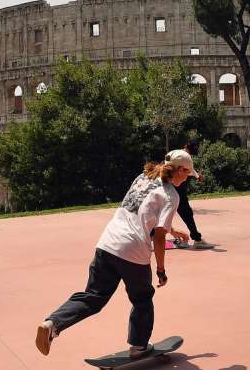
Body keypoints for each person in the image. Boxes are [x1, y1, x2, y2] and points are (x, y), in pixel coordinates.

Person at [34, 150, 195, 357]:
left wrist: (173, 229)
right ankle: (139, 347)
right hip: (133, 251)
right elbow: (159, 237)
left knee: (93, 296)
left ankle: (52, 324)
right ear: (180, 170)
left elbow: (143, 210)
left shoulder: (143, 177)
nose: (187, 179)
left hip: (107, 244)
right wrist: (161, 270)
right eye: (187, 174)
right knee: (142, 298)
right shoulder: (172, 195)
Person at [173, 140, 215, 249]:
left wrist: (196, 175)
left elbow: (187, 170)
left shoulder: (174, 153)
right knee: (186, 212)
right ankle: (197, 239)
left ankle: (148, 236)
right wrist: (197, 176)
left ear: (185, 145)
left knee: (158, 210)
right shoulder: (186, 157)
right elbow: (188, 170)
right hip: (176, 186)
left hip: (166, 183)